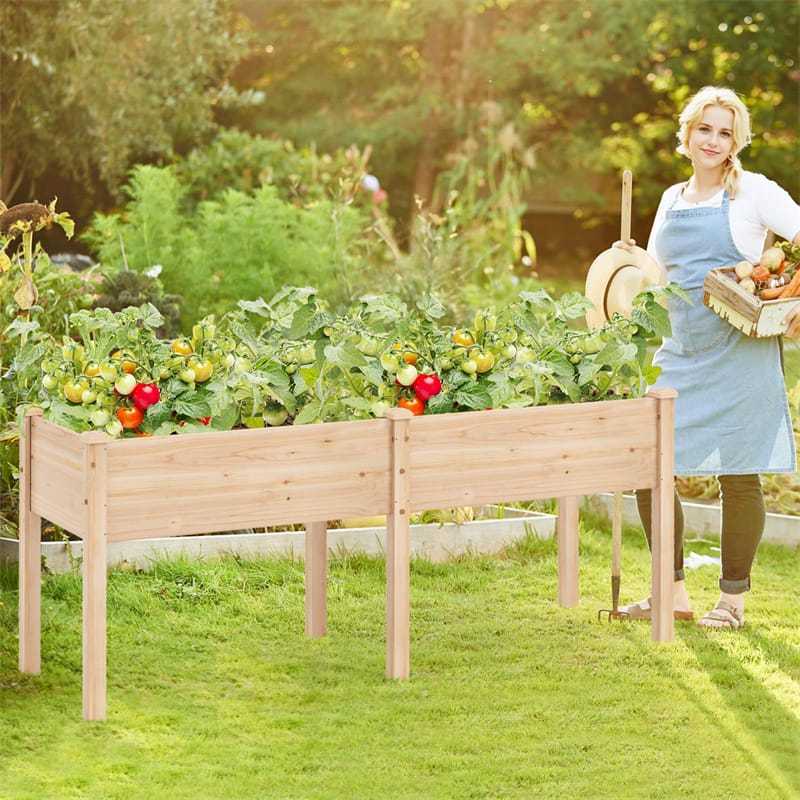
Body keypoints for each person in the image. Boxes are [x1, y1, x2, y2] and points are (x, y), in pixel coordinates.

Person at [614, 85, 800, 630]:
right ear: (687, 135)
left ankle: (732, 603)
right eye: (705, 129)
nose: (714, 140)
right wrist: (625, 270)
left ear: (736, 140)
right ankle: (671, 594)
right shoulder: (671, 199)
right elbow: (655, 276)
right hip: (679, 351)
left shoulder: (755, 193)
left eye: (725, 132)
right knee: (652, 469)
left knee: (739, 477)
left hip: (741, 351)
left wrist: (794, 301)